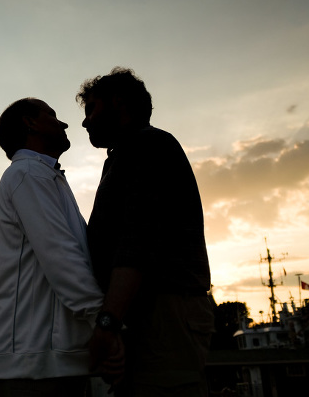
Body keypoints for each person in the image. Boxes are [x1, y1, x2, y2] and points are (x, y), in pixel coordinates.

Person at [77, 68, 213, 396]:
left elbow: (136, 243)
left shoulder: (148, 147)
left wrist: (107, 324)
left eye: (91, 108)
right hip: (143, 315)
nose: (85, 122)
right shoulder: (125, 156)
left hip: (164, 314)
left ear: (119, 103)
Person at [0, 98, 105, 397]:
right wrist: (105, 320)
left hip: (48, 358)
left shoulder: (43, 176)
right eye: (53, 115)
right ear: (30, 123)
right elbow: (62, 258)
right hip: (35, 362)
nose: (64, 123)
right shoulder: (29, 174)